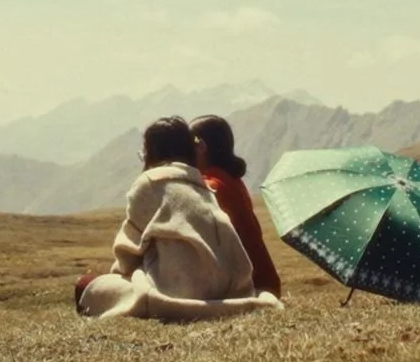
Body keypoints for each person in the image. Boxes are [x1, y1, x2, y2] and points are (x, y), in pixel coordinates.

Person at [75, 116, 282, 321]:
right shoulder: (207, 185)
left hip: (184, 294)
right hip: (235, 287)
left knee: (85, 285)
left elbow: (127, 254)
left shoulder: (152, 182)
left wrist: (120, 276)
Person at [190, 114, 282, 298]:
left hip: (249, 288)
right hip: (264, 284)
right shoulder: (231, 180)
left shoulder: (212, 187)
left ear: (201, 147)